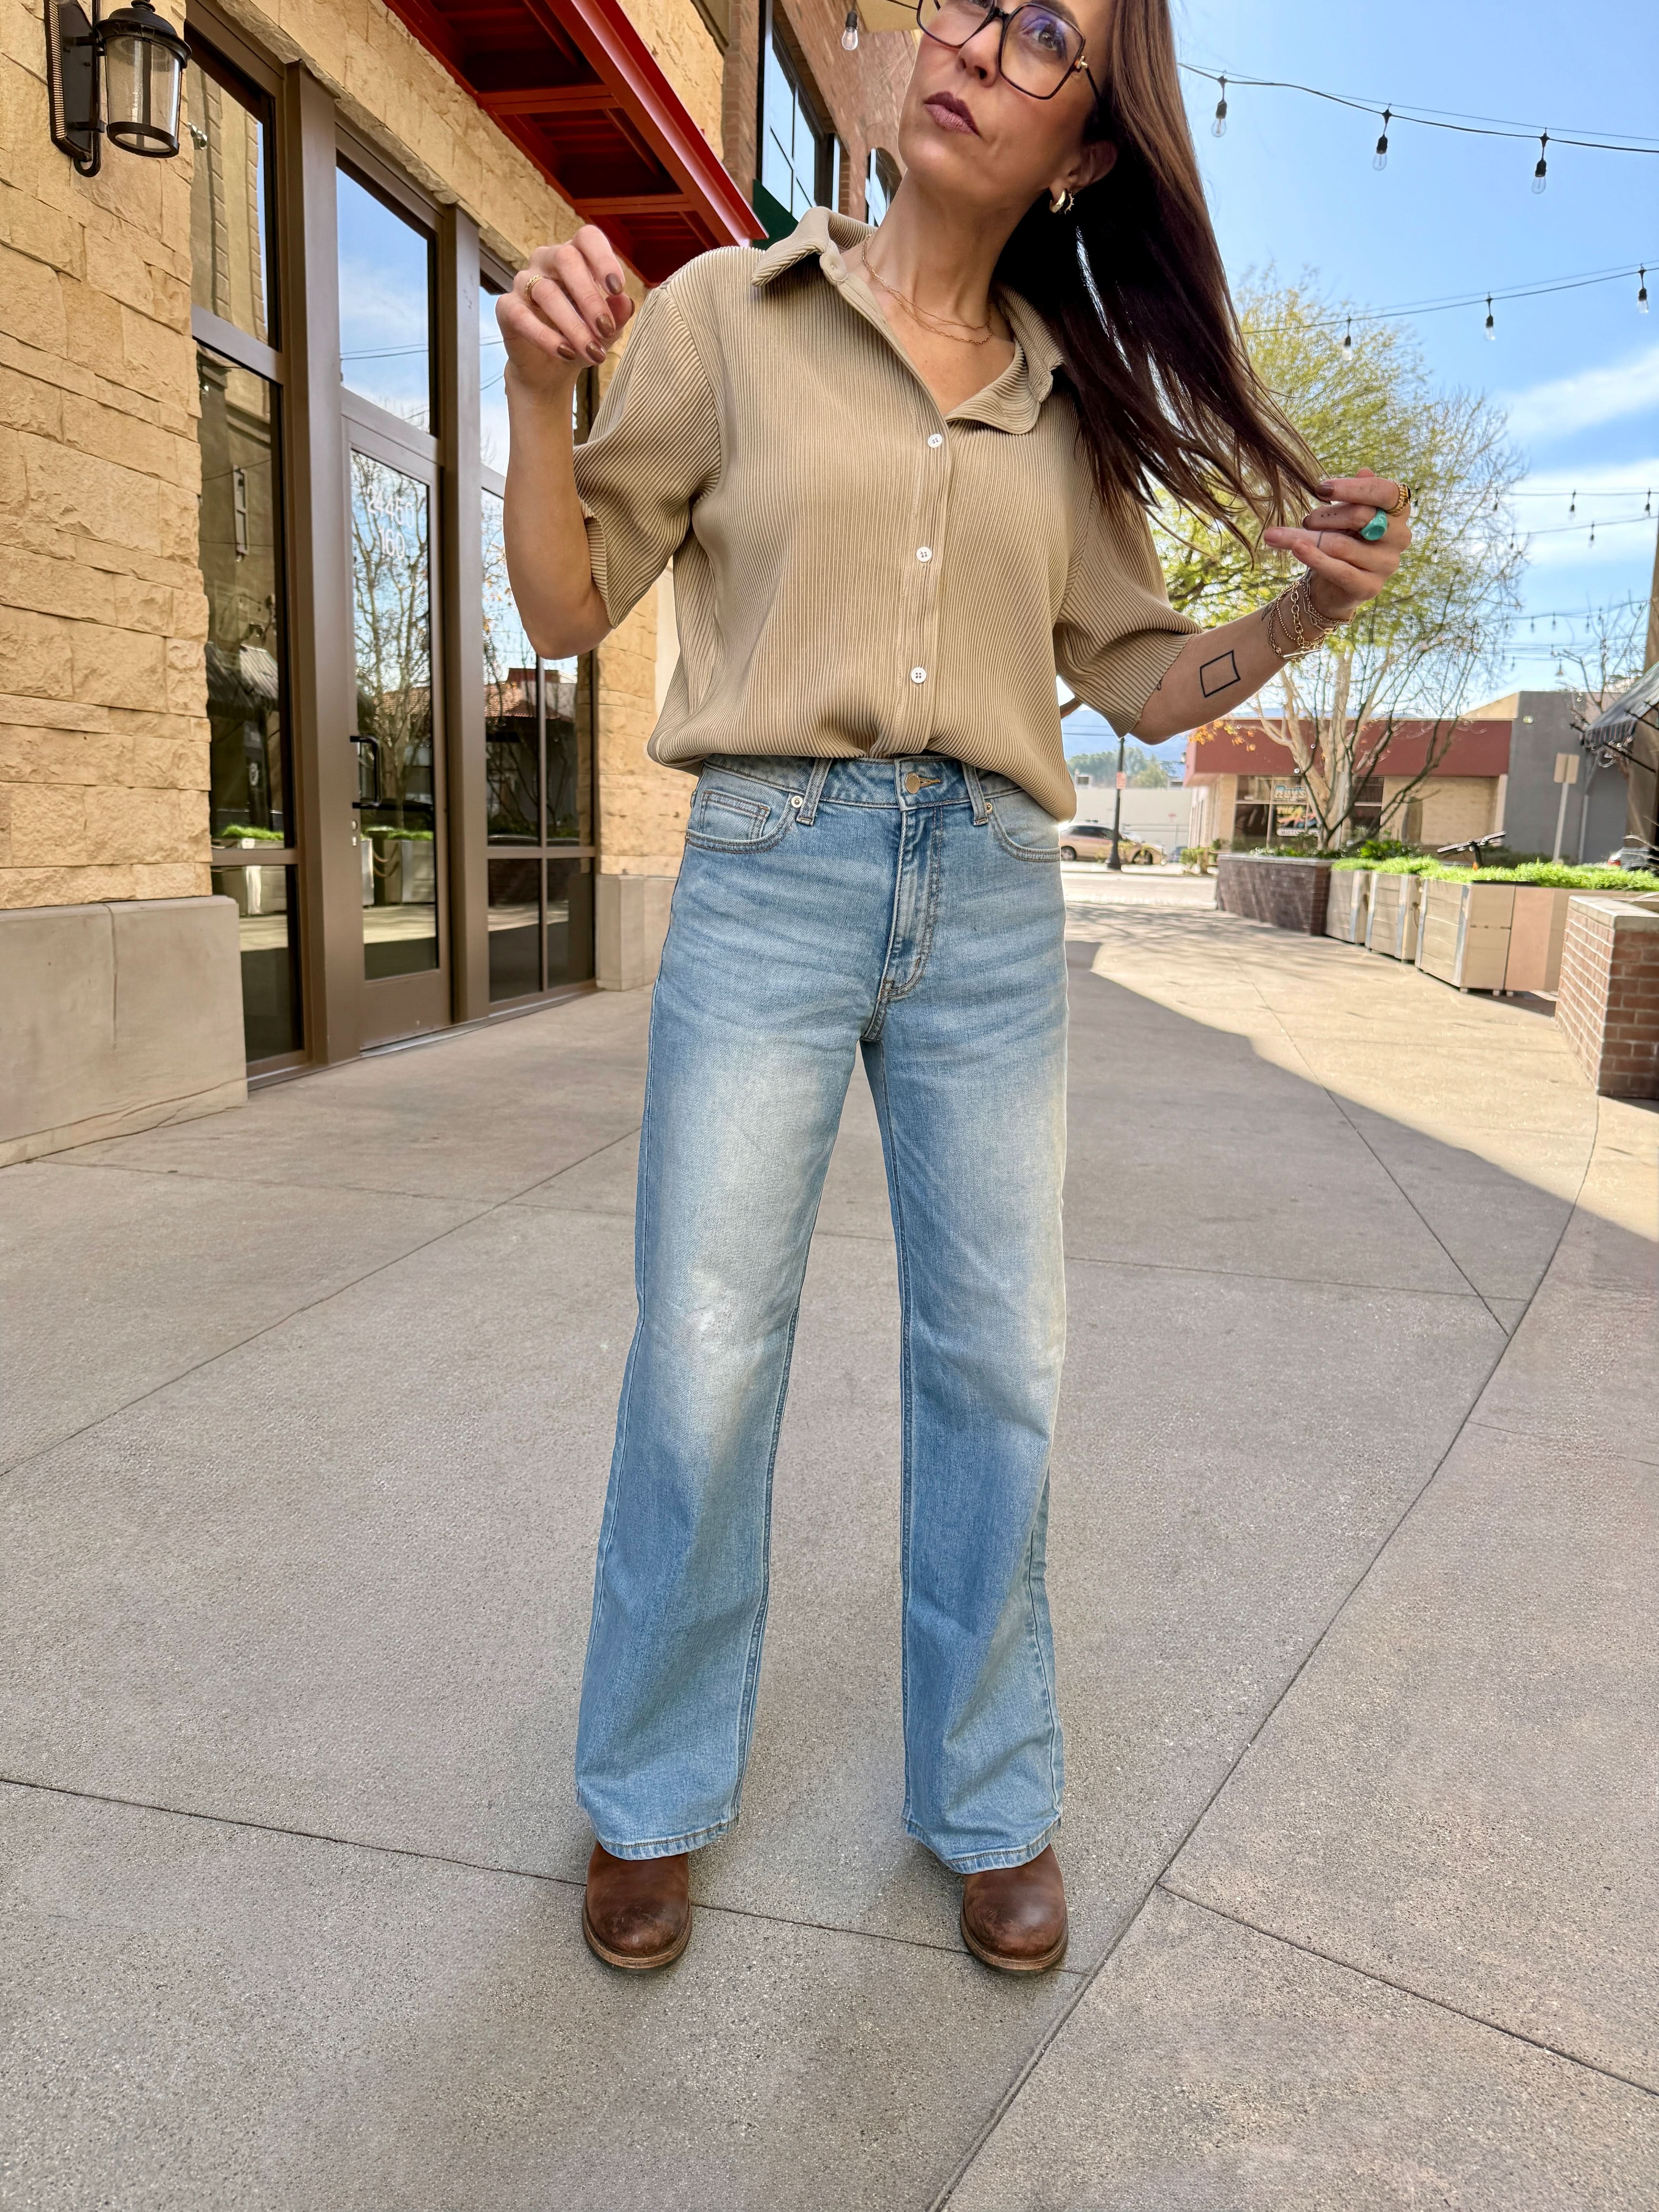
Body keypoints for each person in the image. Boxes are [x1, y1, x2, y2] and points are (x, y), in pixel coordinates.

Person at [497, 0, 1408, 1975]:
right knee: (706, 1351)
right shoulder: (729, 319)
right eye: (977, 4)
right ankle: (649, 1792)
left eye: (1046, 35)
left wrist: (1295, 613)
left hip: (989, 898)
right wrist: (535, 391)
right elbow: (563, 607)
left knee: (999, 1358)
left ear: (1086, 151)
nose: (981, 42)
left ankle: (991, 1793)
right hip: (768, 870)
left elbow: (1139, 682)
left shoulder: (1069, 412)